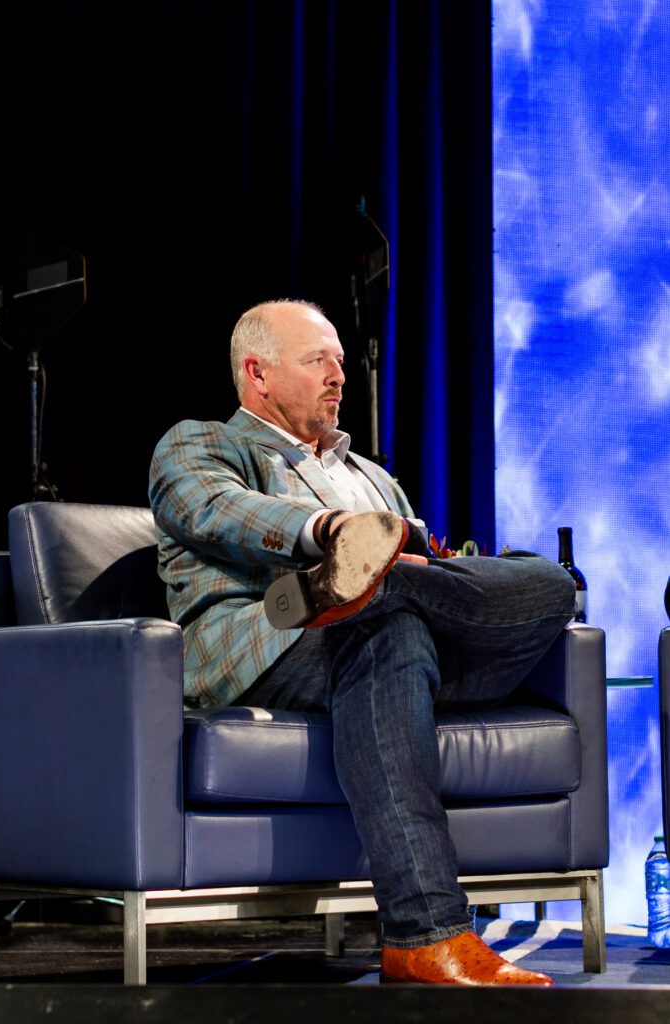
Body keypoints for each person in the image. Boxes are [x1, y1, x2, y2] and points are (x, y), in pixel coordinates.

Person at [148, 298, 576, 987]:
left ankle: (363, 585)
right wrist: (330, 531)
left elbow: (427, 567)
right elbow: (216, 510)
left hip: (401, 632)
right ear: (257, 373)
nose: (339, 375)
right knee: (390, 629)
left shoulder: (373, 476)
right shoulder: (201, 444)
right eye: (318, 360)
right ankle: (426, 934)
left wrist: (412, 571)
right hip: (268, 640)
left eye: (341, 362)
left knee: (545, 582)